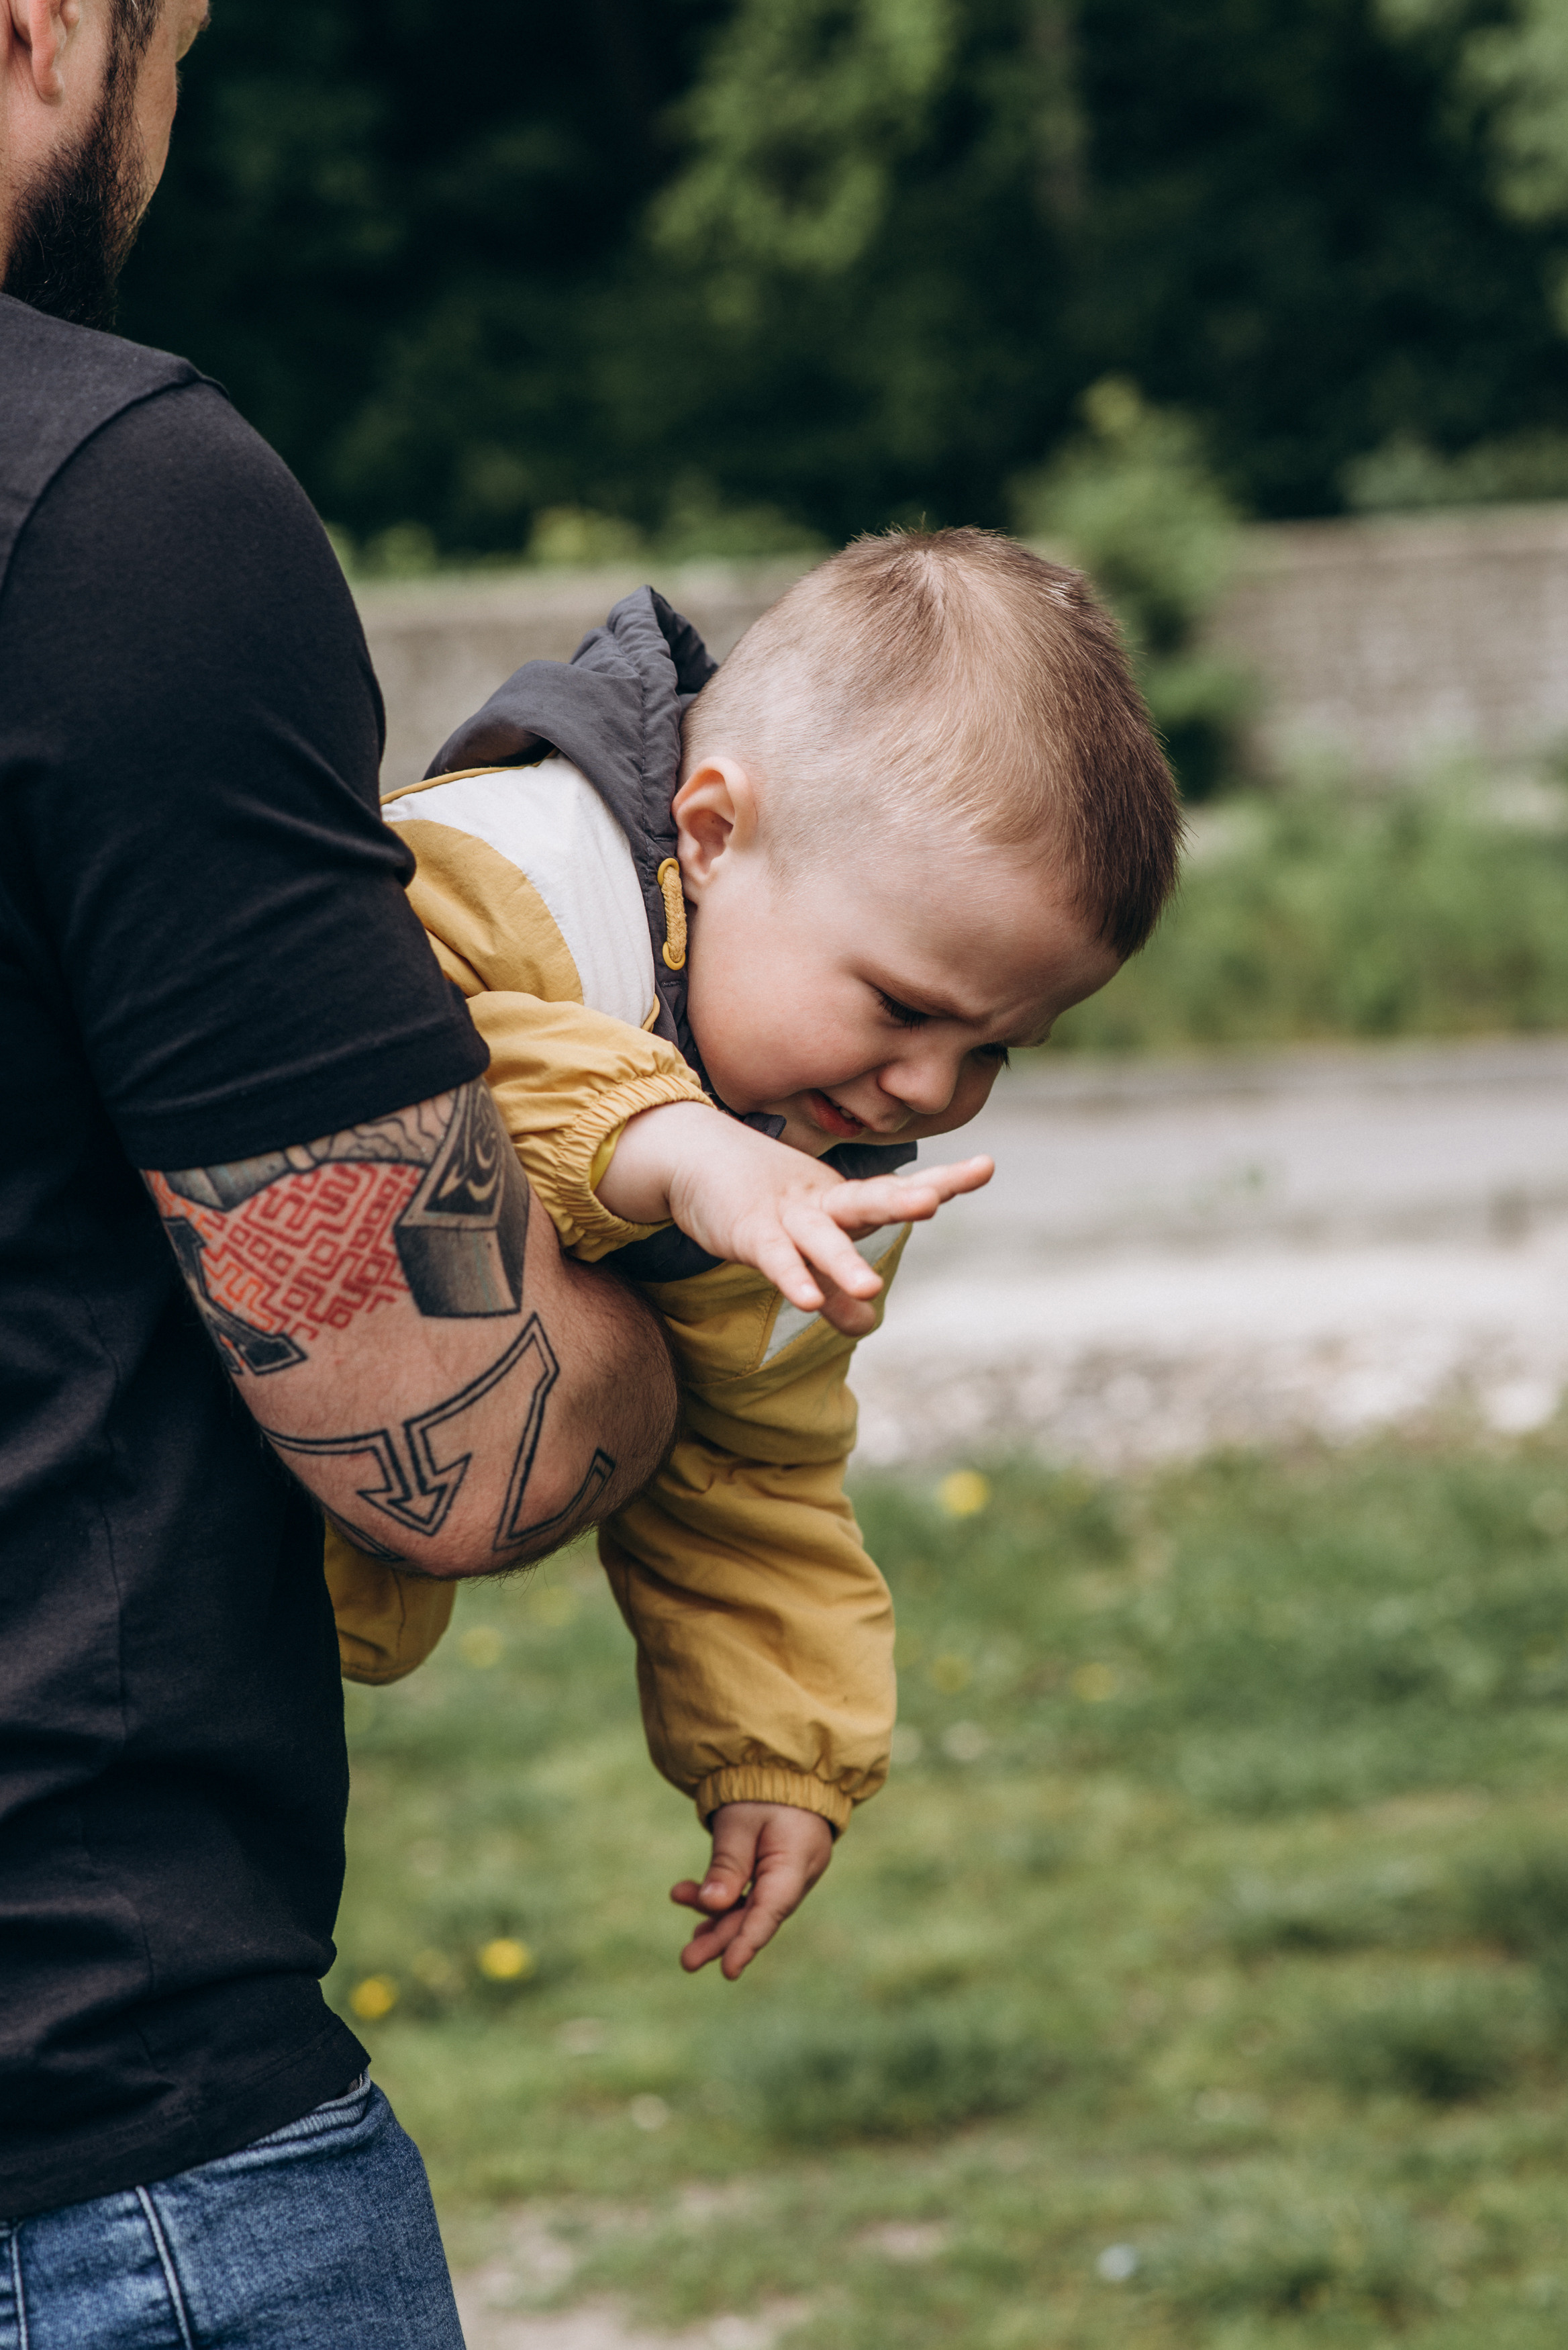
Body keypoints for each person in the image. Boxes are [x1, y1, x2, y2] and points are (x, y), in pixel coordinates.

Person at [0, 1, 677, 2339]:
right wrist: (679, 1261)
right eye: (173, 42)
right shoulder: (108, 514)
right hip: (91, 2162)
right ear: (41, 34)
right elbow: (450, 1435)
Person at [327, 529, 1183, 1982]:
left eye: (995, 1049)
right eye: (904, 1005)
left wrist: (778, 1747)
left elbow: (758, 1459)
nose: (926, 1086)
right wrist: (671, 1149)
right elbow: (363, 1078)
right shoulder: (495, 880)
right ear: (715, 834)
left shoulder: (814, 1154)